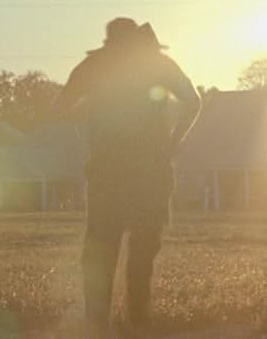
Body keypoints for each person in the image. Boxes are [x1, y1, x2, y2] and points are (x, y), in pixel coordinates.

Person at [54, 18, 201, 338]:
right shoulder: (158, 65)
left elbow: (61, 105)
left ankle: (97, 325)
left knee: (100, 249)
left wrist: (88, 129)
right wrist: (172, 143)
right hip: (152, 169)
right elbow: (193, 102)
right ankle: (137, 323)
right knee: (143, 250)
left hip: (107, 170)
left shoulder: (95, 65)